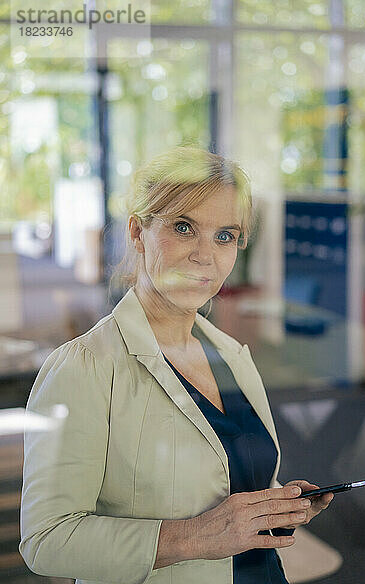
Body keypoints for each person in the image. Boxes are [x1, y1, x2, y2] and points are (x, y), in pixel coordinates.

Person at [19, 146, 333, 584]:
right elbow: (47, 540)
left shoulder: (232, 357)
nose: (205, 256)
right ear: (137, 232)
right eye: (184, 228)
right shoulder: (83, 368)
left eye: (225, 235)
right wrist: (197, 537)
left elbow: (231, 492)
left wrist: (277, 505)